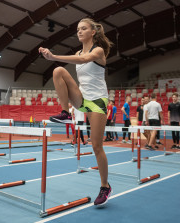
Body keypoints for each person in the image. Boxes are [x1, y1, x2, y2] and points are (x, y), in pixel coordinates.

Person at [39, 18, 112, 205]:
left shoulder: (98, 51)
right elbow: (79, 59)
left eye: (83, 29)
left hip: (97, 102)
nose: (79, 32)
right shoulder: (78, 51)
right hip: (83, 99)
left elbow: (84, 59)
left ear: (92, 32)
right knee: (58, 72)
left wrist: (54, 56)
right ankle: (64, 112)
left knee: (96, 146)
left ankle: (105, 186)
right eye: (77, 29)